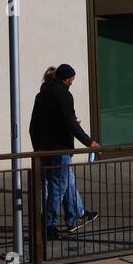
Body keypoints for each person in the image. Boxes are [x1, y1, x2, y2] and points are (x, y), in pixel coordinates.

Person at [28, 63, 99, 241]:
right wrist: (89, 142)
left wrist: (38, 148)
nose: (72, 82)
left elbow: (33, 126)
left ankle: (74, 218)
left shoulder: (41, 96)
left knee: (64, 184)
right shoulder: (64, 95)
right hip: (60, 150)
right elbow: (71, 123)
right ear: (66, 78)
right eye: (72, 79)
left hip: (46, 150)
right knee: (58, 188)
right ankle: (49, 225)